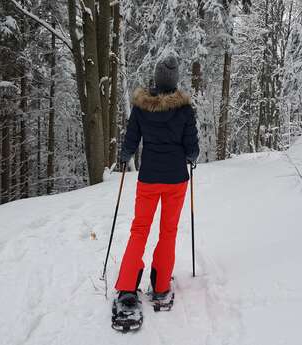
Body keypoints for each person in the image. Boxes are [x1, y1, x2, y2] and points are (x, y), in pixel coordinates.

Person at [115, 55, 199, 307]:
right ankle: (161, 285)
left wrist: (124, 156)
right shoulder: (184, 110)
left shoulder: (142, 107)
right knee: (168, 231)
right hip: (175, 180)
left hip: (149, 177)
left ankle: (128, 287)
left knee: (139, 229)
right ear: (174, 80)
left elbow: (131, 139)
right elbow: (192, 148)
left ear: (156, 78)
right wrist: (190, 156)